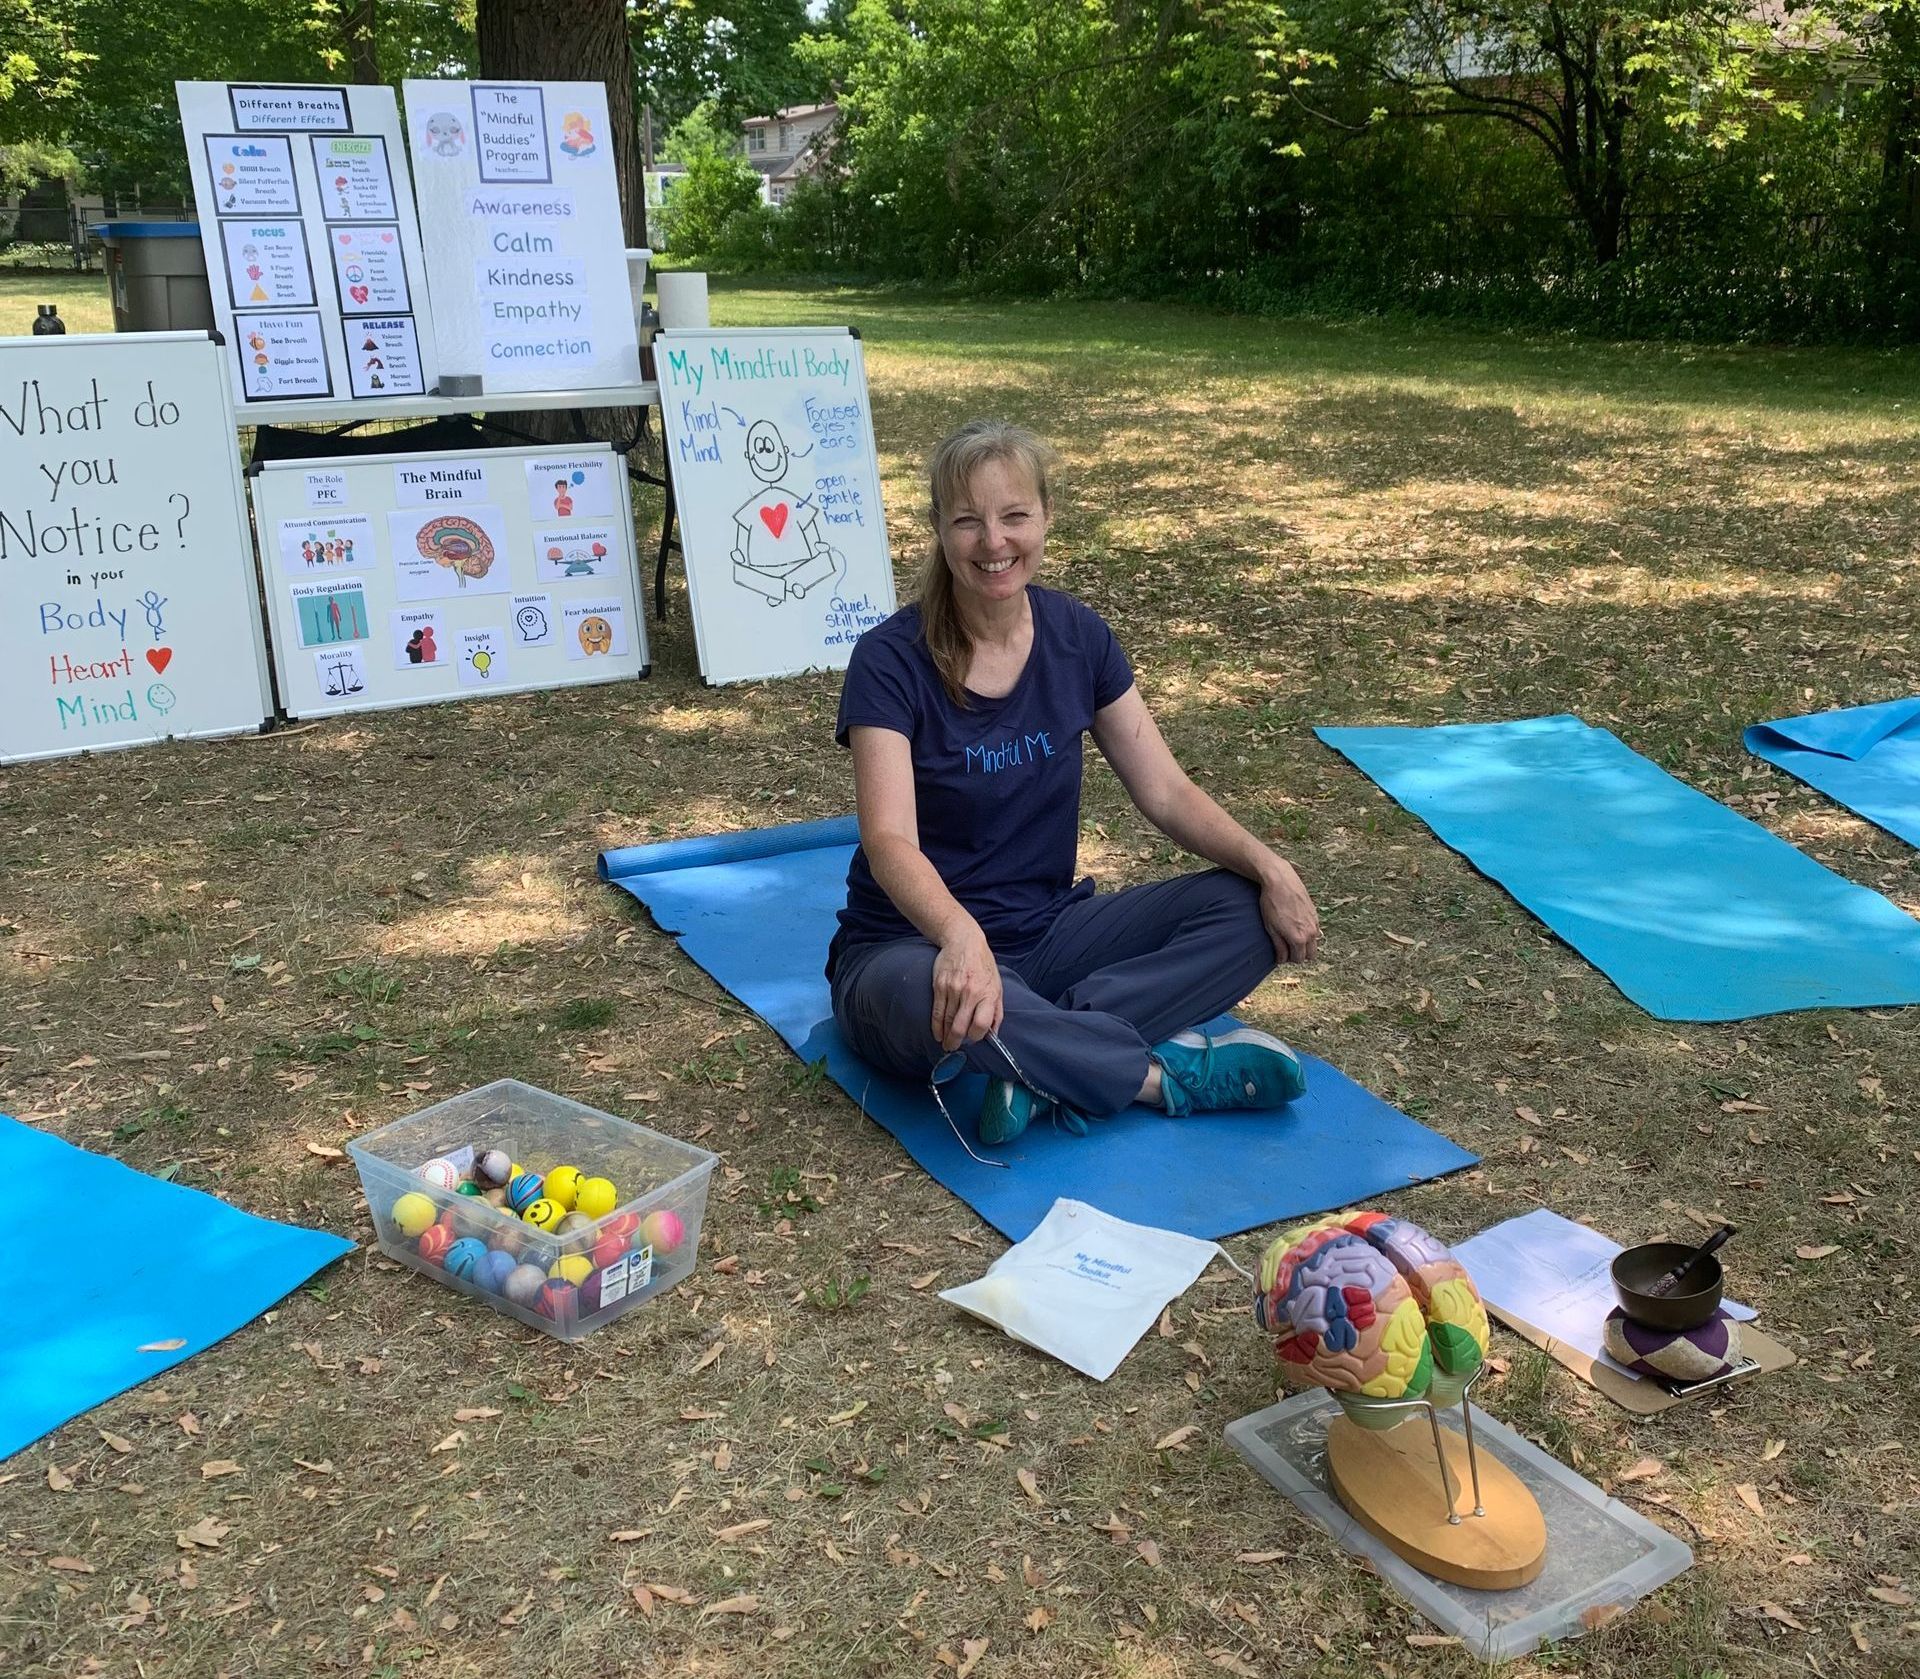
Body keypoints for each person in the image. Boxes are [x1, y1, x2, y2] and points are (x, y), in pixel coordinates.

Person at [829, 419, 1322, 1148]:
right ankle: (1158, 1078)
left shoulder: (1077, 636)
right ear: (938, 528)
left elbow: (1165, 791)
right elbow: (889, 838)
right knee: (923, 1001)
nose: (994, 541)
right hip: (909, 945)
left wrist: (1271, 866)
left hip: (1046, 937)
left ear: (1047, 516)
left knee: (1248, 912)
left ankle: (1038, 1052)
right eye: (967, 520)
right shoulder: (889, 661)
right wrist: (959, 934)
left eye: (1014, 515)